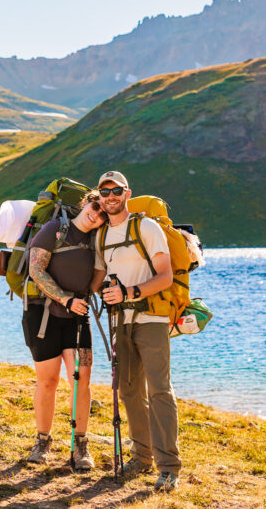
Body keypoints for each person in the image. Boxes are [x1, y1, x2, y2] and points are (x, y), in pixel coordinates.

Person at [94, 170, 180, 492]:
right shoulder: (101, 235)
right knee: (129, 390)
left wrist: (129, 293)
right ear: (100, 198)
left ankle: (168, 467)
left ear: (127, 193)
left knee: (159, 390)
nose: (111, 196)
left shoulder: (147, 227)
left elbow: (165, 276)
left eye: (116, 190)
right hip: (120, 322)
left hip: (152, 319)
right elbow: (98, 276)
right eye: (105, 192)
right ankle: (142, 458)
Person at [23, 190, 109, 469]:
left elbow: (97, 277)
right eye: (96, 206)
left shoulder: (97, 240)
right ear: (86, 203)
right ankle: (43, 441)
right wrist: (65, 299)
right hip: (44, 316)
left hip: (78, 316)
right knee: (48, 381)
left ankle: (80, 446)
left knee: (81, 380)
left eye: (103, 215)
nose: (96, 215)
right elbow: (36, 270)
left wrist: (82, 297)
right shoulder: (54, 229)